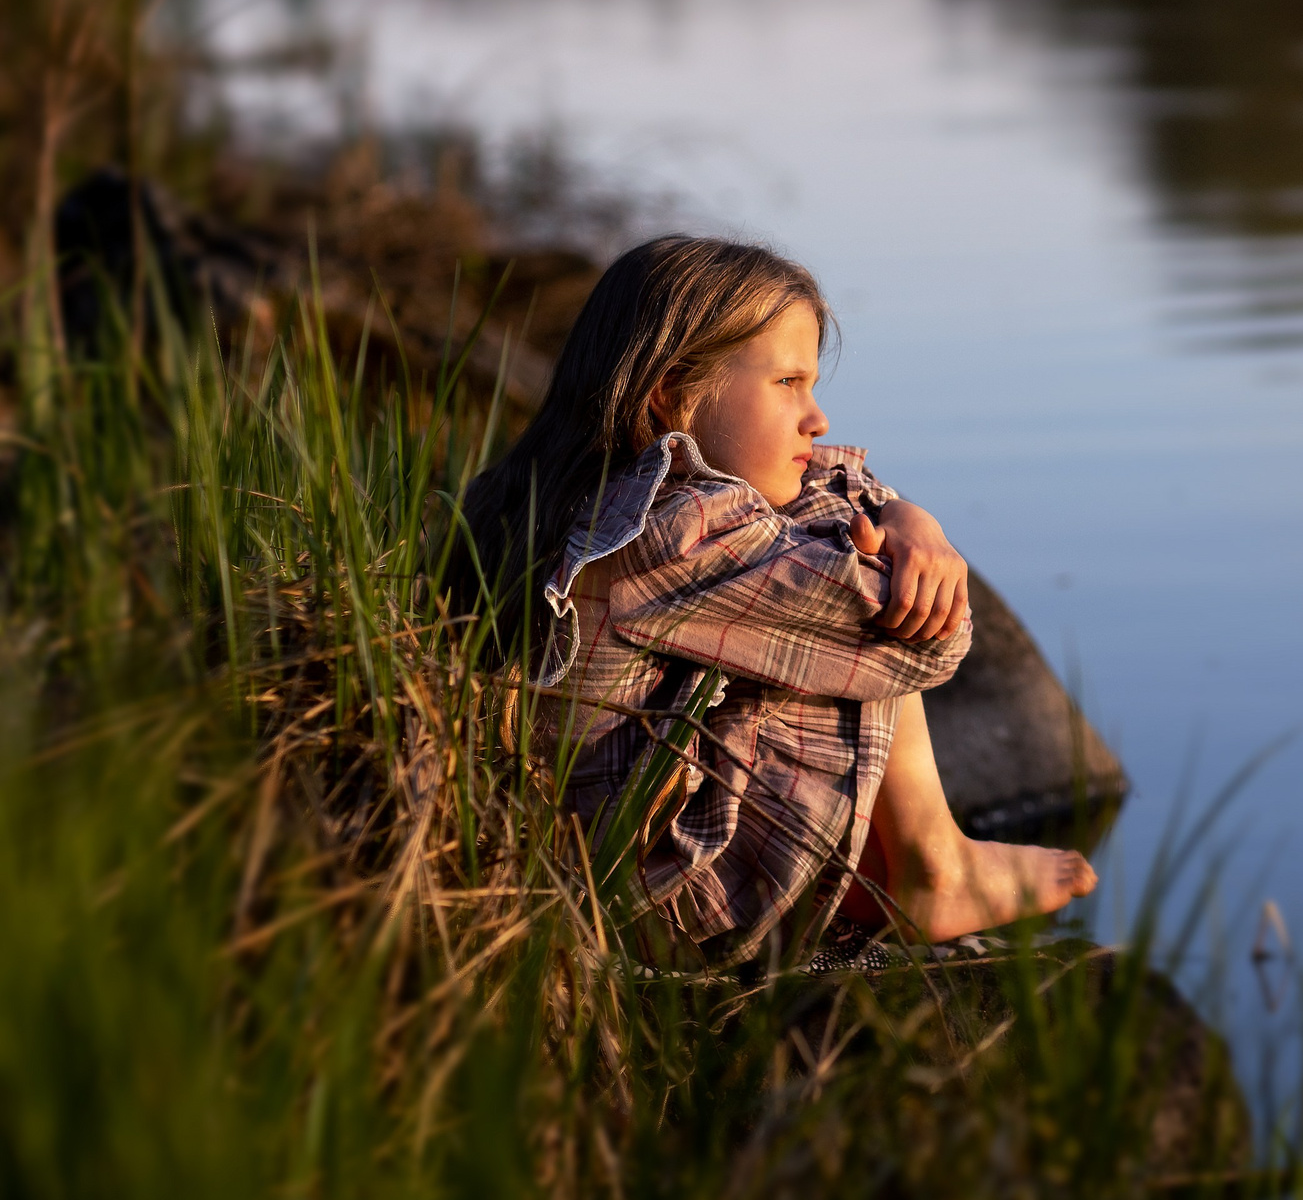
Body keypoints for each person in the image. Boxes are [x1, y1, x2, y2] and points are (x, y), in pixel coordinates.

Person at [453, 235, 1095, 968]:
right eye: (788, 382)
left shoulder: (554, 493)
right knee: (865, 604)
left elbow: (818, 495)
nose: (817, 419)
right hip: (664, 905)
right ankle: (934, 863)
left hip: (580, 862)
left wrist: (902, 515)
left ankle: (930, 861)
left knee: (821, 580)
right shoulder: (680, 532)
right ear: (671, 392)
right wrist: (900, 536)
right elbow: (926, 639)